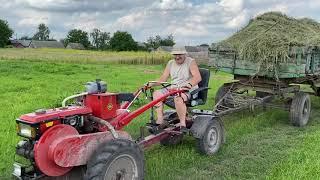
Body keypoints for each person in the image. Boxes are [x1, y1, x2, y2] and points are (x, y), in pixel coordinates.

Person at [152, 46, 202, 132]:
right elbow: (163, 79)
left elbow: (197, 77)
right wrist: (151, 84)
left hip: (189, 90)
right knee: (156, 94)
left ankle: (182, 124)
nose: (177, 57)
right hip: (174, 87)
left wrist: (189, 84)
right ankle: (160, 120)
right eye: (175, 54)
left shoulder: (190, 62)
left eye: (180, 54)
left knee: (178, 97)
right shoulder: (170, 63)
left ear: (184, 54)